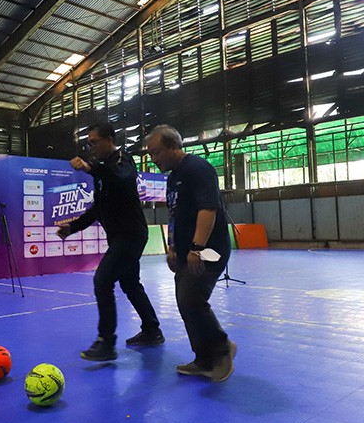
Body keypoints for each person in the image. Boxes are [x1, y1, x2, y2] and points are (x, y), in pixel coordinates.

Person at [57, 123, 163, 361]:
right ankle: (151, 330)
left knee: (103, 280)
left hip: (131, 235)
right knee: (130, 284)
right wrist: (72, 227)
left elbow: (122, 177)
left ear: (109, 140)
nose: (91, 148)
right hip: (119, 237)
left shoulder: (123, 160)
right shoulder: (103, 173)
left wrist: (90, 167)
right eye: (89, 144)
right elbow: (98, 208)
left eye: (94, 142)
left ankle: (106, 343)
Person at [145, 125, 236, 382]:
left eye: (156, 152)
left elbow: (208, 209)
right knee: (184, 302)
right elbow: (174, 214)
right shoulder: (173, 177)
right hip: (186, 251)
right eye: (151, 154)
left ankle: (221, 350)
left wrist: (197, 248)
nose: (154, 159)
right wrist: (173, 247)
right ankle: (203, 359)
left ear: (174, 146)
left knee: (192, 299)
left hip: (209, 250)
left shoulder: (198, 169)